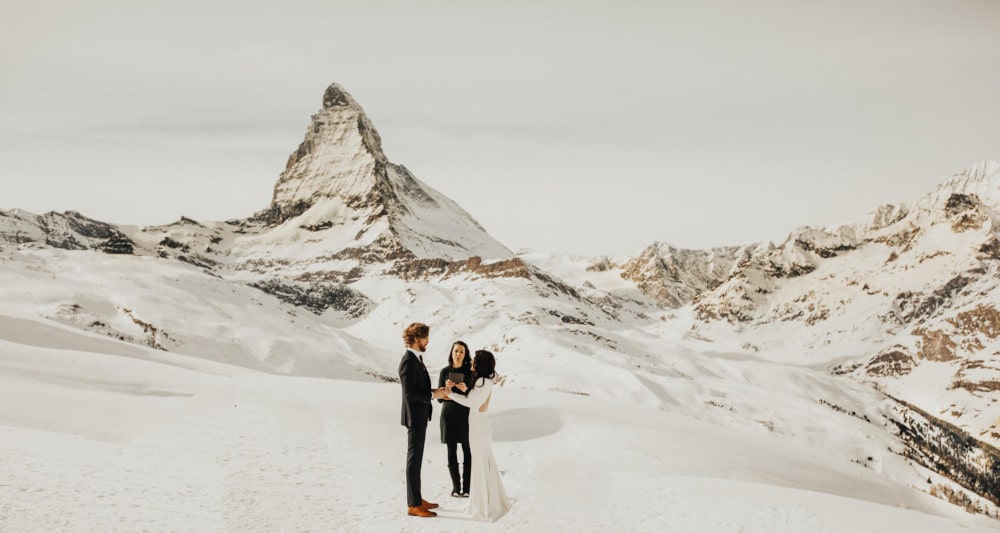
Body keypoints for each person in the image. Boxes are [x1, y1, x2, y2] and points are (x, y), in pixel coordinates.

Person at [445, 350, 512, 522]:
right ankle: (487, 501)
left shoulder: (482, 381)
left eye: (475, 360)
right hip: (480, 424)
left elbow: (473, 402)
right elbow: (476, 397)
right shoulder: (485, 381)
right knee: (483, 462)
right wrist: (465, 389)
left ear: (480, 363)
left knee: (480, 464)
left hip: (478, 427)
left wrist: (450, 394)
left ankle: (482, 505)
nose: (472, 361)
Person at [398, 322, 449, 518]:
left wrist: (436, 393)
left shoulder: (416, 359)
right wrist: (433, 394)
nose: (428, 341)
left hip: (420, 415)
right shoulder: (408, 361)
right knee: (414, 460)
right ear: (417, 338)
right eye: (426, 337)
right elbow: (410, 394)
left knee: (417, 459)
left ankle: (417, 499)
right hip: (415, 416)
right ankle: (413, 505)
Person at [437, 341, 474, 498]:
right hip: (449, 415)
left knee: (468, 451)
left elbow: (473, 397)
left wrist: (463, 390)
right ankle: (455, 487)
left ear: (465, 355)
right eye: (456, 351)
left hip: (466, 415)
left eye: (462, 352)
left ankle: (467, 488)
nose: (458, 354)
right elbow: (439, 398)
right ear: (451, 352)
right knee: (451, 451)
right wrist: (447, 389)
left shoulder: (470, 373)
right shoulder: (444, 371)